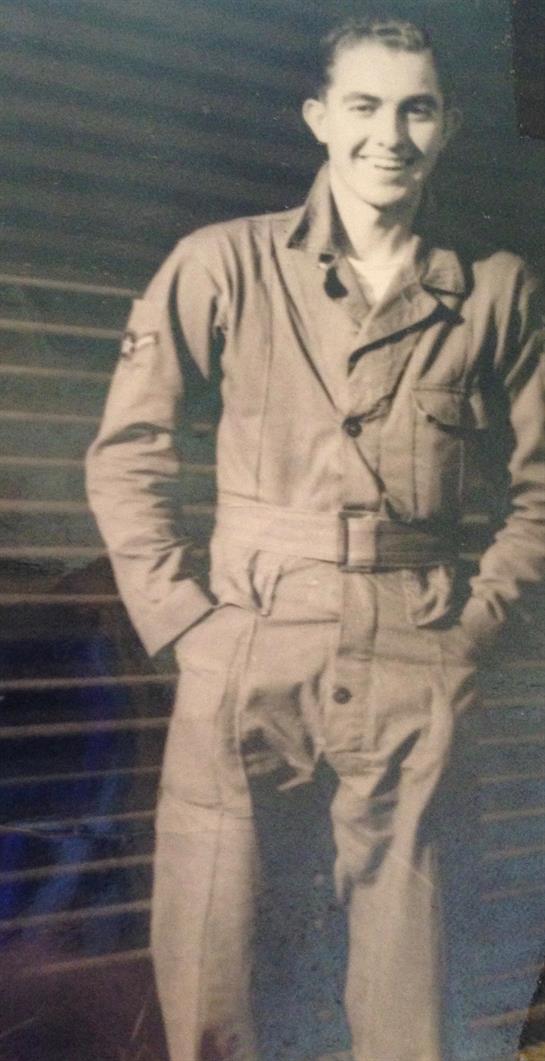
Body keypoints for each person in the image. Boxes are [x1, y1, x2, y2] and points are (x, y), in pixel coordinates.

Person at [86, 12, 545, 1061]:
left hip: (417, 662)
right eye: (364, 106)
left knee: (413, 996)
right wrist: (186, 624)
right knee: (217, 980)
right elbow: (126, 454)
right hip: (247, 653)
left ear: (448, 124)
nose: (389, 135)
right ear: (318, 117)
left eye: (416, 109)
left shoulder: (496, 290)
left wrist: (475, 628)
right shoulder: (221, 264)